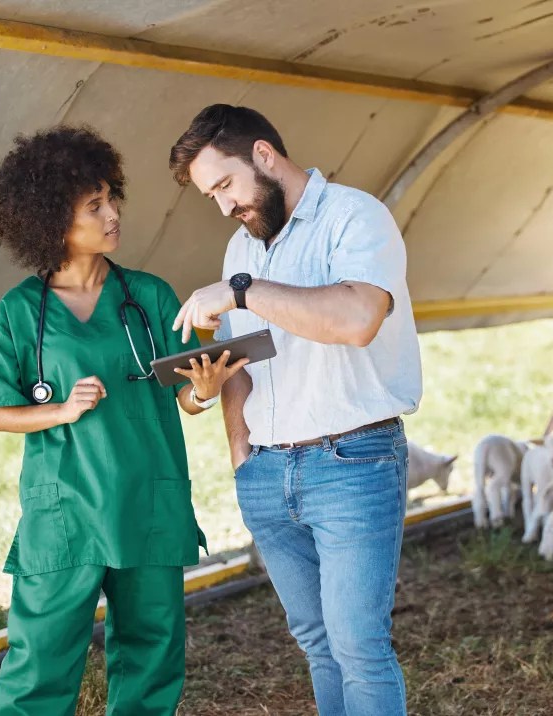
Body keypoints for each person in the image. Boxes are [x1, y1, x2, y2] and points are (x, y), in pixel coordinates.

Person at [0, 125, 246, 715]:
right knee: (39, 665)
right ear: (51, 221)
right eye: (94, 206)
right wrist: (61, 409)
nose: (113, 214)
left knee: (152, 659)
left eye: (111, 198)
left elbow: (182, 395)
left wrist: (202, 394)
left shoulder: (149, 297)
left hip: (147, 504)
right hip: (66, 511)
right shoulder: (19, 312)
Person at [168, 105, 423, 716]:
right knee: (316, 643)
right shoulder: (240, 247)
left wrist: (243, 289)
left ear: (262, 154)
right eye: (211, 197)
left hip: (352, 461)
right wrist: (240, 455)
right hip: (265, 471)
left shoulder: (355, 216)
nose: (225, 207)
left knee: (359, 646)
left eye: (225, 185)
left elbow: (358, 318)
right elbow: (241, 363)